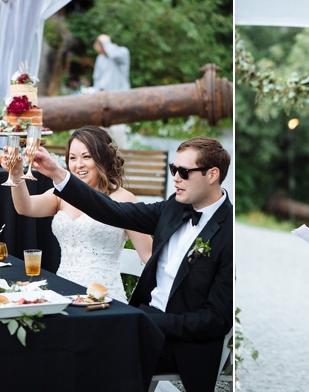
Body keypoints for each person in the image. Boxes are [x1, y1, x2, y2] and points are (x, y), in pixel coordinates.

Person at [28, 136, 233, 392]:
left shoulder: (231, 234)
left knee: (89, 348)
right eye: (173, 169)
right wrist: (58, 174)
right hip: (143, 320)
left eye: (183, 172)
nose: (175, 178)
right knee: (64, 335)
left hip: (181, 342)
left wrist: (144, 321)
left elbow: (215, 320)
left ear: (212, 174)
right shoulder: (175, 207)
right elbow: (114, 211)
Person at [2, 126, 152, 303]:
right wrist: (16, 174)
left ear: (102, 158)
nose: (78, 164)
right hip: (62, 293)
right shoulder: (62, 196)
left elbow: (149, 255)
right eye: (72, 158)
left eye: (86, 157)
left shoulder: (124, 199)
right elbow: (25, 207)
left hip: (104, 298)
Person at [93, 34, 130, 149]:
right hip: (103, 101)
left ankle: (125, 161)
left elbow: (114, 55)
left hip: (118, 100)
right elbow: (97, 78)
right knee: (101, 133)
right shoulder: (100, 58)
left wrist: (105, 41)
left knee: (119, 132)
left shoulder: (122, 52)